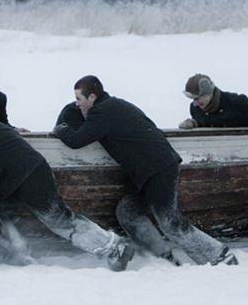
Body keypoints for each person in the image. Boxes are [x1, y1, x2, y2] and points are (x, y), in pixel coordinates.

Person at [0, 89, 135, 271]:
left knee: (59, 220)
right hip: (10, 179)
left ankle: (115, 248)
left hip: (28, 174)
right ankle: (19, 259)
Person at [52, 75, 238, 267]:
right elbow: (77, 118)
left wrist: (60, 129)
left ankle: (220, 256)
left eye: (79, 99)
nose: (77, 104)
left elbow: (76, 140)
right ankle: (163, 256)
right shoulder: (112, 106)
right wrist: (70, 115)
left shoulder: (102, 112)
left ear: (91, 97)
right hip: (149, 172)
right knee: (127, 212)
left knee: (171, 223)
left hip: (158, 169)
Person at [179, 73, 248, 129]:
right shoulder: (195, 108)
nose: (195, 103)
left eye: (197, 98)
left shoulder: (236, 102)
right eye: (192, 99)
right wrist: (195, 123)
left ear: (208, 93)